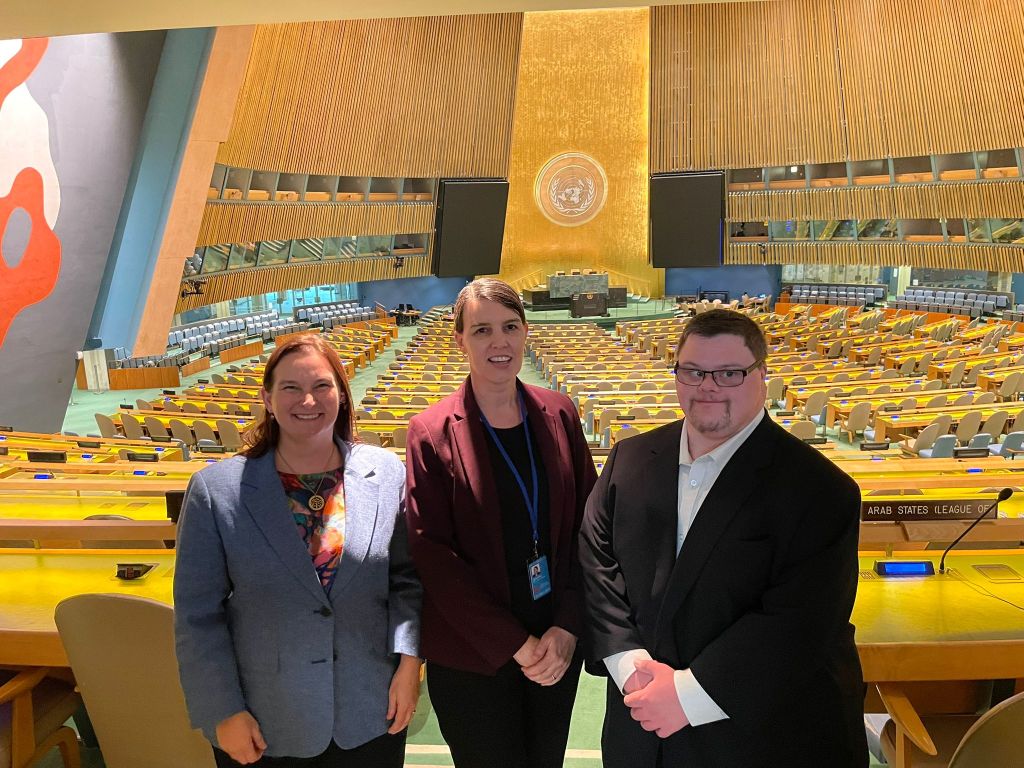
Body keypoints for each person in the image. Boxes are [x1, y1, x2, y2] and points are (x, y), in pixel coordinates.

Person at [579, 309, 867, 767]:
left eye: (729, 373)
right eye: (692, 371)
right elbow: (597, 566)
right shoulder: (628, 460)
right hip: (641, 726)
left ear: (762, 375)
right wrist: (628, 665)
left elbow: (799, 620)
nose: (707, 386)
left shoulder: (819, 490)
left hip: (760, 735)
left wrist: (687, 695)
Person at [174, 334, 421, 767]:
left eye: (322, 386)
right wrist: (223, 710)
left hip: (369, 710)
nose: (308, 400)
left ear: (343, 395)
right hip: (264, 722)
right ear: (268, 398)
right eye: (291, 387)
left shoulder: (386, 474)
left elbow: (407, 581)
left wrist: (409, 665)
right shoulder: (216, 492)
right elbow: (197, 617)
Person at [405, 278, 597, 768]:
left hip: (555, 643)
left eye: (510, 327)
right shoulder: (430, 432)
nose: (499, 342)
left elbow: (590, 527)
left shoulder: (560, 412)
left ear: (526, 332)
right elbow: (433, 556)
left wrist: (568, 626)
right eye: (482, 330)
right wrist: (516, 644)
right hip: (473, 652)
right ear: (460, 340)